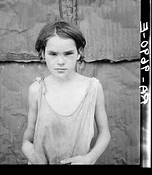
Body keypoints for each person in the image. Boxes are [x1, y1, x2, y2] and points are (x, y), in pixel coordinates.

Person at [22, 21, 111, 164]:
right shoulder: (36, 90)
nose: (61, 61)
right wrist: (26, 145)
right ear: (43, 54)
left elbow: (104, 133)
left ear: (79, 52)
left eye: (68, 53)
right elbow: (30, 130)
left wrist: (90, 158)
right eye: (53, 54)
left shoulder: (93, 88)